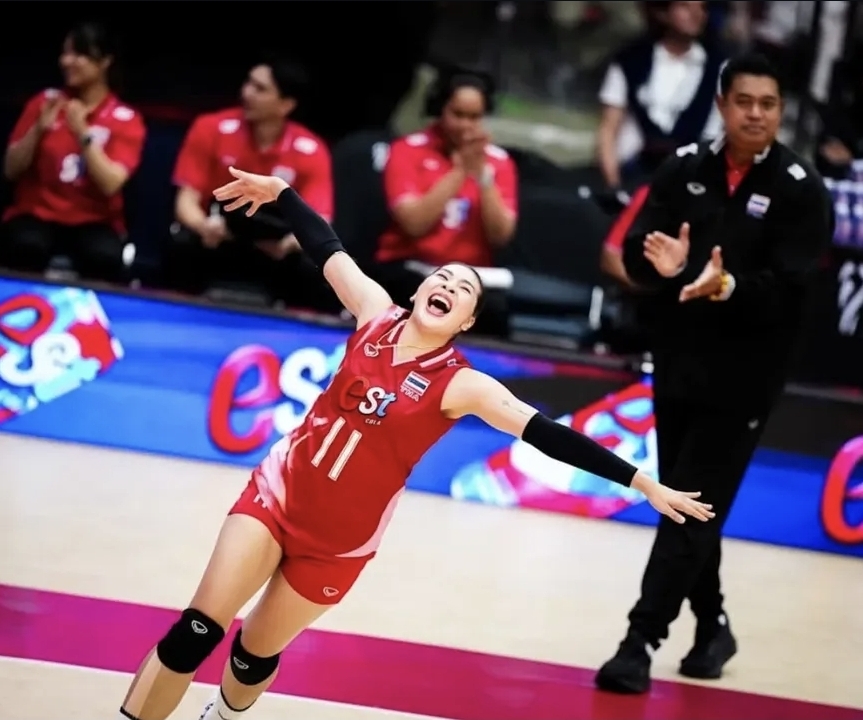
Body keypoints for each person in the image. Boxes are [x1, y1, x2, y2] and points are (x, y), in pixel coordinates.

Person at [115, 168, 714, 720]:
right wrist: (283, 195)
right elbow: (327, 248)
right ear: (422, 288)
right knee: (196, 631)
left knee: (252, 657)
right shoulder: (374, 314)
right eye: (442, 277)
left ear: (466, 321)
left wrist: (640, 481)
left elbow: (550, 435)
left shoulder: (463, 384)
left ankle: (223, 716)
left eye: (463, 288)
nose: (448, 285)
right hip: (276, 497)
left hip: (339, 546)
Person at [594, 52, 834, 695]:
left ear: (781, 111)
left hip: (746, 376)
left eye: (769, 104)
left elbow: (793, 294)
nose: (756, 114)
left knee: (687, 505)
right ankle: (712, 627)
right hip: (678, 363)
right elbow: (636, 253)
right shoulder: (683, 167)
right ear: (723, 104)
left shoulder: (800, 188)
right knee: (692, 503)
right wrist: (663, 267)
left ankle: (639, 642)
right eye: (744, 102)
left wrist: (727, 286)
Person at [166, 57, 335, 310]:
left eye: (260, 89)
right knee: (180, 243)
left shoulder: (311, 150)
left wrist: (290, 242)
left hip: (275, 251)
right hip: (216, 238)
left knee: (317, 264)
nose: (246, 93)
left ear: (286, 104)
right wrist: (204, 226)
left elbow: (320, 221)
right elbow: (185, 201)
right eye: (248, 83)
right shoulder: (210, 127)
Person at [373, 67, 517, 337]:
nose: (466, 125)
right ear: (440, 109)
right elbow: (414, 224)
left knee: (495, 310)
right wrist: (460, 172)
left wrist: (483, 177)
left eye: (474, 117)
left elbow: (501, 236)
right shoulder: (406, 150)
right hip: (410, 268)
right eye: (458, 115)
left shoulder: (499, 162)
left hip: (470, 276)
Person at [0, 21, 145, 283]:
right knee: (24, 245)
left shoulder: (126, 119)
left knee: (103, 257)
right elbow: (10, 170)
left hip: (94, 221)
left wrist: (82, 134)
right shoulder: (44, 103)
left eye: (79, 54)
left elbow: (111, 183)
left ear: (105, 62)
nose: (66, 61)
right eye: (65, 53)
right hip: (36, 214)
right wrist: (38, 129)